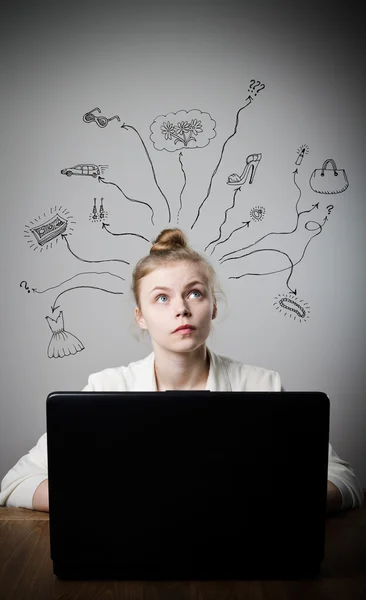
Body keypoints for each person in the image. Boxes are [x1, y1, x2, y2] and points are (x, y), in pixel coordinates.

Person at [0, 228, 363, 514]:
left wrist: (263, 500)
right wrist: (109, 498)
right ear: (140, 317)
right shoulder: (105, 388)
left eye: (194, 293)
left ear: (213, 306)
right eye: (162, 298)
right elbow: (15, 483)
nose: (182, 310)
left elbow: (343, 480)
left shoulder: (262, 386)